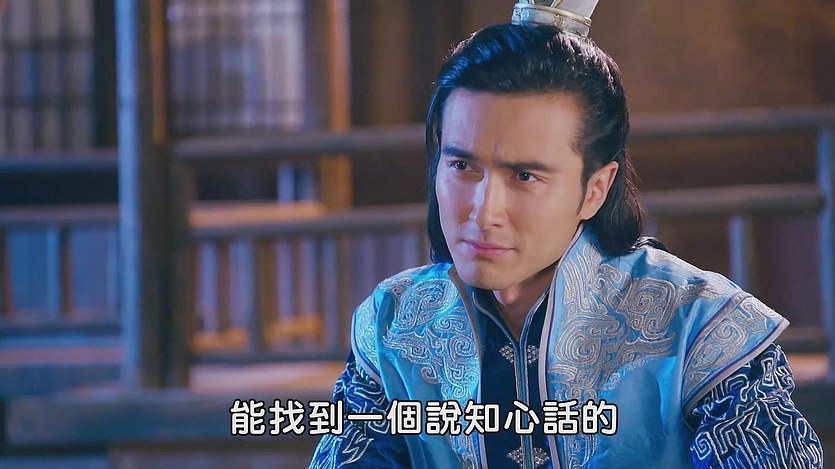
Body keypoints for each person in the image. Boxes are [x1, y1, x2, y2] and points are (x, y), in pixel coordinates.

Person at [309, 1, 824, 467]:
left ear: (595, 189)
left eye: (524, 176)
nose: (484, 212)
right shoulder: (395, 324)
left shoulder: (701, 330)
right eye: (463, 166)